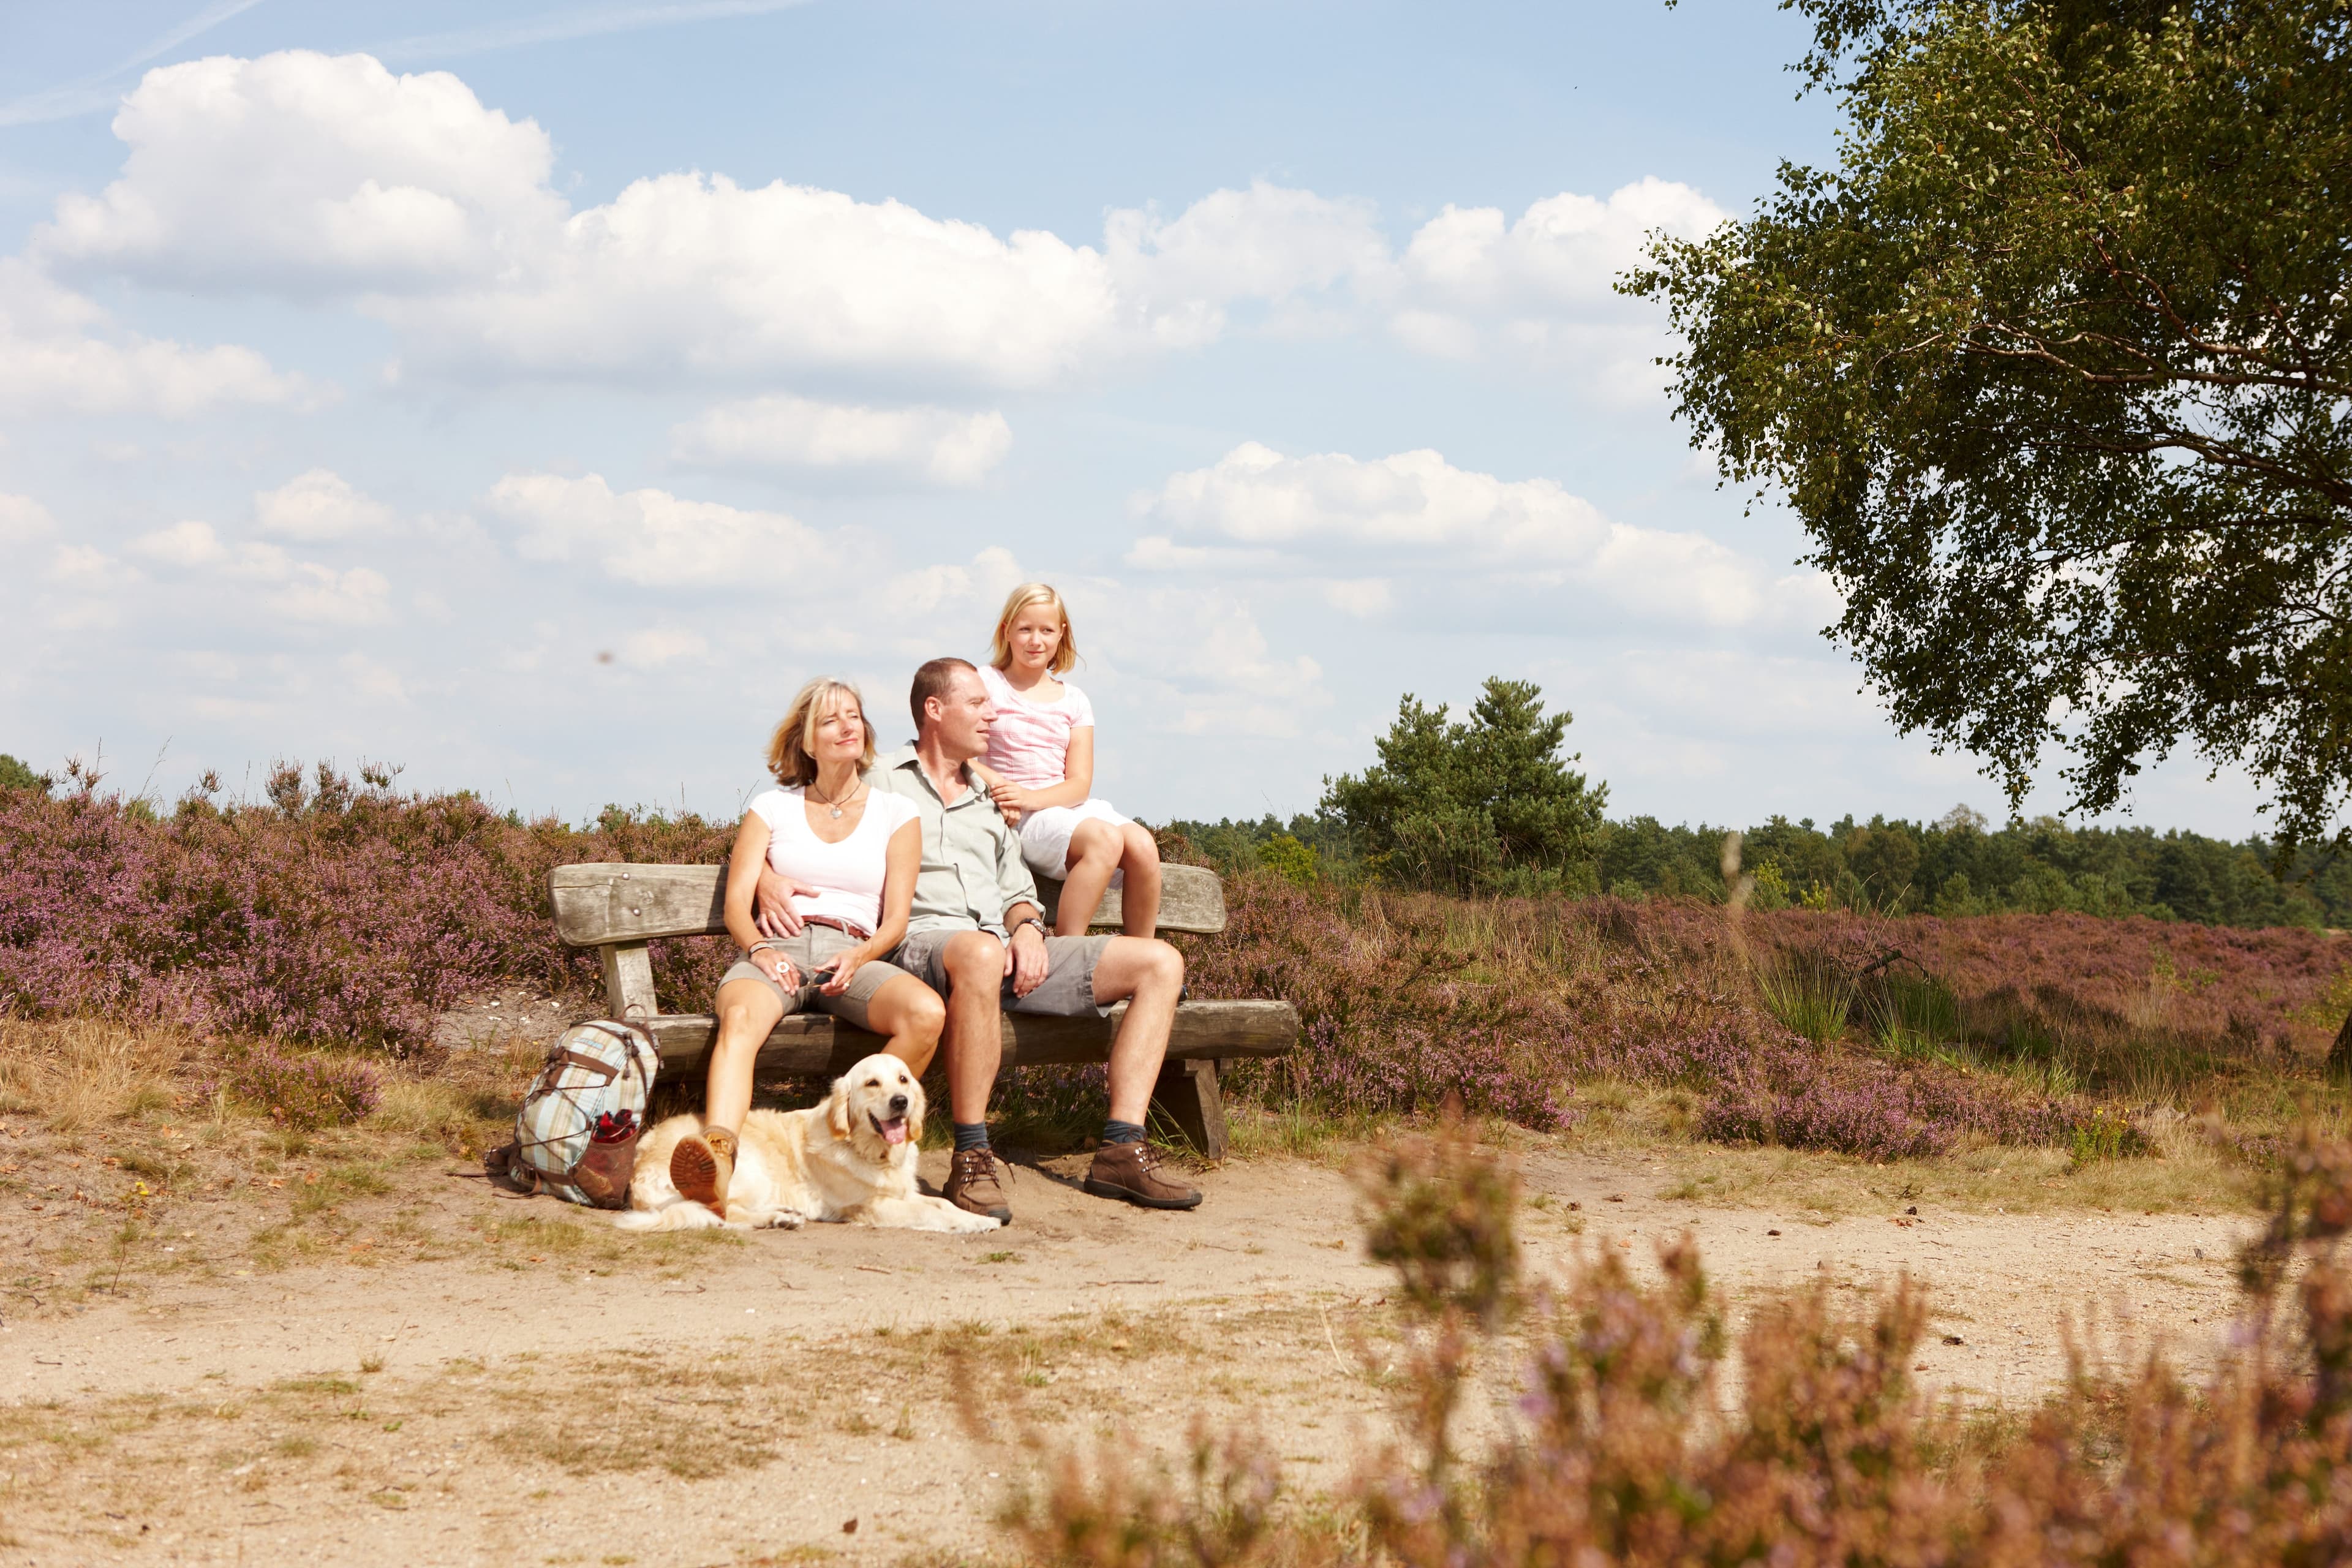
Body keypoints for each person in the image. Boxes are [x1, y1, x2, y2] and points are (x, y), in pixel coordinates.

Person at [854, 655, 1199, 1224]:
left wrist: (1029, 930)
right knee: (980, 952)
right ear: (934, 711)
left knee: (1160, 963)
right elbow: (820, 830)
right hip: (921, 947)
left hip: (1001, 949)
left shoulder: (990, 799)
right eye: (978, 704)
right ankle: (971, 1154)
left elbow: (1017, 889)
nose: (993, 715)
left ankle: (1120, 1149)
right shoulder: (880, 781)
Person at [668, 678, 943, 1219]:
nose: (847, 726)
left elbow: (897, 921)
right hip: (780, 947)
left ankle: (851, 1128)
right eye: (830, 720)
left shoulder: (896, 812)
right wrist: (760, 949)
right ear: (808, 742)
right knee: (742, 1015)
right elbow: (736, 907)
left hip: (853, 951)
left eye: (855, 717)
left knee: (927, 1013)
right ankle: (719, 1157)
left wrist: (860, 956)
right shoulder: (772, 807)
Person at [968, 582, 1163, 938]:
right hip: (1019, 818)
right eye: (1025, 629)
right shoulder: (985, 683)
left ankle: (1141, 954)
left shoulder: (1074, 700)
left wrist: (1032, 797)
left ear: (1061, 634)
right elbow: (958, 756)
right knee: (1104, 840)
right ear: (1006, 630)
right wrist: (1002, 789)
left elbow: (1079, 784)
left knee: (1144, 847)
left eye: (1046, 630)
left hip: (1063, 805)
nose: (1035, 640)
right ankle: (1068, 955)